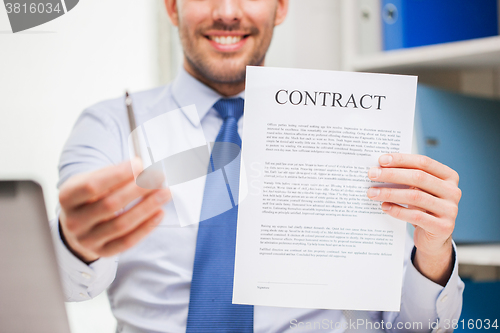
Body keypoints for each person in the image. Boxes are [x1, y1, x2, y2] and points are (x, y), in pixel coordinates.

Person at [51, 0, 464, 332]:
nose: (228, 11)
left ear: (281, 7)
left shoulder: (355, 131)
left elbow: (409, 327)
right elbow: (68, 286)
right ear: (172, 7)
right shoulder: (109, 125)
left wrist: (432, 252)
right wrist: (78, 240)